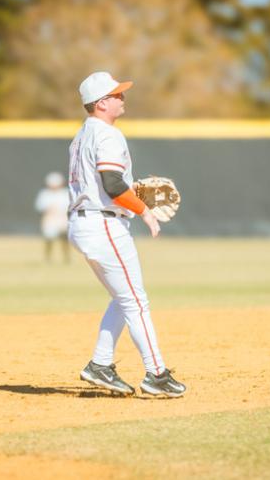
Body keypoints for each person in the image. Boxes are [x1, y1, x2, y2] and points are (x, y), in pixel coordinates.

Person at [67, 71, 186, 397]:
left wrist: (130, 191)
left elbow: (104, 184)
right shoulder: (108, 135)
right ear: (101, 103)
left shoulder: (81, 136)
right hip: (103, 224)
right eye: (117, 94)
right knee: (136, 301)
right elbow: (111, 184)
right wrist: (144, 210)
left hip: (84, 223)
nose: (123, 98)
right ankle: (156, 374)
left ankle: (100, 365)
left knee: (124, 296)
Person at [34, 171, 70, 263]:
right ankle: (48, 258)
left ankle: (66, 258)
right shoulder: (44, 194)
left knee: (64, 238)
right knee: (49, 238)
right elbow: (40, 206)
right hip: (50, 219)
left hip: (63, 219)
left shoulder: (65, 193)